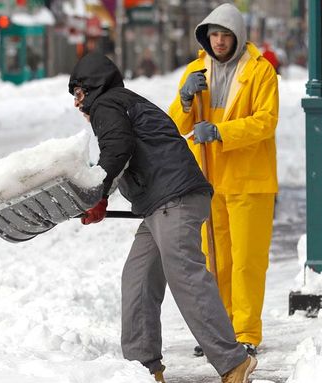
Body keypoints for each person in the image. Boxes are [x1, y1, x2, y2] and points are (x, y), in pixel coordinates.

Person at [68, 52, 256, 383]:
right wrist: (101, 196)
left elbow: (117, 151)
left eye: (78, 94)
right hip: (161, 203)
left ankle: (233, 361)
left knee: (185, 274)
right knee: (138, 279)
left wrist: (97, 193)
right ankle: (143, 369)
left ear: (92, 87)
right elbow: (123, 156)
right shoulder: (121, 103)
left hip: (174, 199)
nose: (77, 104)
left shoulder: (107, 105)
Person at [168, 3, 279, 358]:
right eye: (213, 35)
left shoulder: (261, 73)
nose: (218, 41)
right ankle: (218, 332)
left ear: (237, 36)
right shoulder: (194, 71)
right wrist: (185, 99)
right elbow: (175, 127)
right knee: (215, 262)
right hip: (209, 181)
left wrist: (220, 130)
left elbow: (266, 121)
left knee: (247, 261)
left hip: (249, 181)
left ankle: (245, 332)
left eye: (225, 35)